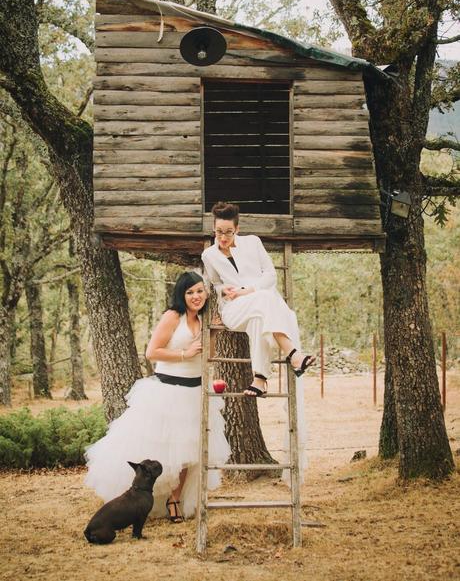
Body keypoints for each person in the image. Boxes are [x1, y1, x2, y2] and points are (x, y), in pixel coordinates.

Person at [84, 272, 230, 522]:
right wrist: (185, 353)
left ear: (206, 293)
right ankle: (138, 500)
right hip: (168, 393)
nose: (196, 296)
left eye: (199, 291)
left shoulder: (204, 319)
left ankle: (175, 499)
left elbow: (207, 356)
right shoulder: (173, 316)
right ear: (181, 295)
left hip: (195, 392)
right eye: (190, 292)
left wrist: (213, 333)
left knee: (189, 454)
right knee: (163, 452)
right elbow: (152, 352)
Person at [201, 202, 315, 397]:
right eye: (219, 231)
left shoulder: (253, 242)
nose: (223, 237)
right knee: (265, 299)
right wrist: (223, 290)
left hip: (260, 304)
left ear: (237, 229)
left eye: (229, 232)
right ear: (213, 228)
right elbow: (215, 284)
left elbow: (271, 275)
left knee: (258, 320)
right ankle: (294, 354)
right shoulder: (209, 255)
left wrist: (248, 290)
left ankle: (259, 379)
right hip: (233, 309)